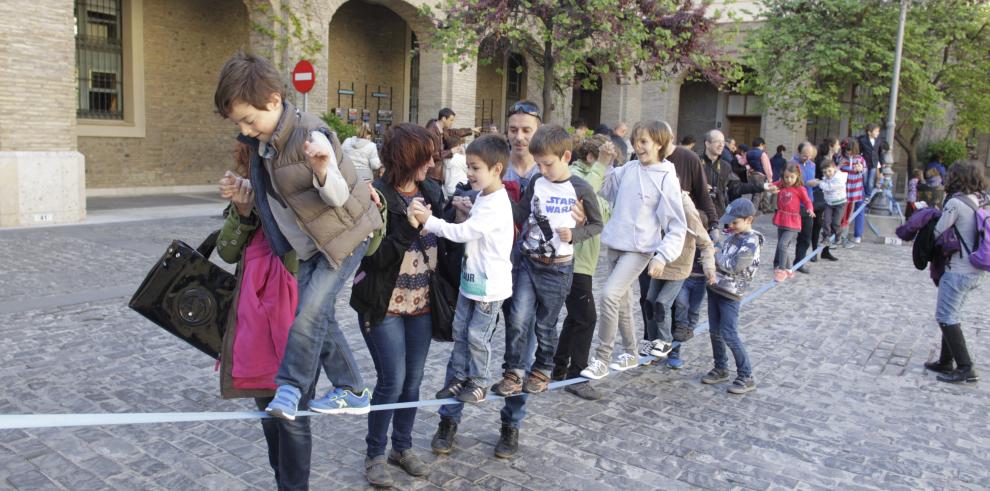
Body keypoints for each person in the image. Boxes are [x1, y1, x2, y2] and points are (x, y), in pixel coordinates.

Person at [213, 52, 378, 423]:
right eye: (239, 122)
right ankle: (352, 390)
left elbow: (336, 197)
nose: (246, 129)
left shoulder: (310, 135)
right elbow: (281, 196)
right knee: (321, 317)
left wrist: (322, 169)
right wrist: (244, 186)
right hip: (311, 246)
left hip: (345, 238)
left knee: (307, 315)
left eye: (249, 120)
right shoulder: (266, 144)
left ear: (273, 100)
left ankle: (289, 388)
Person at [431, 100, 545, 460]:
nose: (519, 136)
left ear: (538, 133)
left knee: (519, 353)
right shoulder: (492, 168)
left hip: (527, 274)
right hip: (483, 274)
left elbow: (586, 223)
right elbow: (465, 198)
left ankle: (511, 425)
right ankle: (449, 419)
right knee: (465, 337)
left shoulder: (551, 175)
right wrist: (462, 205)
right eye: (513, 129)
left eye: (526, 130)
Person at [348, 123, 446, 487]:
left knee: (414, 381)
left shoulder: (433, 189)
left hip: (421, 302)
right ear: (407, 159)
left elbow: (447, 237)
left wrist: (460, 213)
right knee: (393, 380)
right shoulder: (376, 196)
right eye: (425, 156)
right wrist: (409, 228)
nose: (432, 161)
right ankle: (375, 455)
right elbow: (373, 260)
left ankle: (401, 448)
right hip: (383, 303)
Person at [217, 141, 309, 490]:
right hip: (255, 323)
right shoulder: (248, 195)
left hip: (298, 321)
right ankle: (282, 482)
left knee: (294, 420)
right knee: (271, 419)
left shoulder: (301, 193)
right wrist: (242, 212)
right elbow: (226, 251)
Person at [495, 124, 603, 394]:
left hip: (558, 269)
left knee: (545, 324)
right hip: (529, 262)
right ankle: (514, 370)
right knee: (518, 319)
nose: (542, 170)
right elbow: (519, 214)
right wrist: (494, 196)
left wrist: (575, 234)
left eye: (547, 164)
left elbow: (597, 225)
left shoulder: (580, 187)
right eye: (538, 164)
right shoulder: (536, 182)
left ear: (566, 157)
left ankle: (543, 369)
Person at [581, 120, 687, 380]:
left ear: (659, 144)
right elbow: (604, 190)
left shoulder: (666, 177)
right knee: (623, 304)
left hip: (640, 250)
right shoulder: (629, 168)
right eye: (636, 141)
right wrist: (604, 161)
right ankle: (630, 352)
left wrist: (662, 256)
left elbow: (677, 225)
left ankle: (602, 358)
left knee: (608, 295)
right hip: (616, 245)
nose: (638, 147)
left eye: (644, 142)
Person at [413, 134, 514, 405]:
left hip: (489, 287)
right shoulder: (484, 195)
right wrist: (469, 209)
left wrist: (429, 221)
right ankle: (459, 377)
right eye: (468, 166)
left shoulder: (496, 202)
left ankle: (478, 382)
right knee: (459, 330)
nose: (469, 173)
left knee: (477, 336)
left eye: (476, 168)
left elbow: (464, 233)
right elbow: (477, 227)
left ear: (496, 169)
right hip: (471, 281)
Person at [553, 135, 614, 400]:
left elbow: (603, 213)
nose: (608, 164)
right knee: (587, 318)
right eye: (603, 159)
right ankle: (577, 376)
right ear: (591, 157)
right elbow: (583, 196)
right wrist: (601, 165)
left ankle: (559, 366)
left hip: (584, 260)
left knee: (575, 316)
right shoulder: (578, 174)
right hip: (573, 259)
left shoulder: (595, 176)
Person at [926, 161, 988, 384]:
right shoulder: (981, 200)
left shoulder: (956, 203)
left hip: (958, 269)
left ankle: (965, 367)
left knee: (945, 316)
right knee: (952, 314)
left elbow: (938, 232)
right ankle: (945, 360)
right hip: (975, 270)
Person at [642, 190, 716, 369]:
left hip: (680, 267)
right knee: (649, 302)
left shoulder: (689, 213)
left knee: (662, 304)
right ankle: (653, 344)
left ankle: (666, 343)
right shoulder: (658, 203)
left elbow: (706, 243)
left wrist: (709, 268)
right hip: (660, 262)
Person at [702, 198, 763, 394]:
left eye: (735, 222)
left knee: (729, 333)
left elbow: (734, 265)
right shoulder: (734, 235)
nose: (731, 226)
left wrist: (714, 255)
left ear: (749, 219)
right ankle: (721, 368)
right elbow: (722, 252)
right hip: (716, 289)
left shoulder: (751, 241)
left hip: (731, 294)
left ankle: (746, 375)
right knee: (715, 332)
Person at [700, 130, 771, 216]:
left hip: (717, 212)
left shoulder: (725, 166)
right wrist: (700, 187)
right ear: (707, 143)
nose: (721, 145)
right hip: (699, 210)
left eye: (723, 142)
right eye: (717, 142)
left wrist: (762, 186)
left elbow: (736, 187)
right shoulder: (696, 162)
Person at [770, 163, 814, 282]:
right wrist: (770, 187)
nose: (789, 180)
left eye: (791, 177)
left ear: (797, 176)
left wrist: (810, 209)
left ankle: (782, 270)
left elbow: (807, 201)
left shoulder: (800, 189)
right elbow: (772, 185)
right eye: (786, 177)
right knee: (782, 244)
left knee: (783, 245)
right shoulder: (781, 185)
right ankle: (789, 269)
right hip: (781, 219)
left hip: (793, 222)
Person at [792, 142, 819, 273]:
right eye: (804, 156)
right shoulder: (792, 164)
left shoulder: (812, 165)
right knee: (787, 236)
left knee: (806, 236)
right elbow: (788, 181)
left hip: (808, 203)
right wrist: (805, 183)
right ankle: (779, 263)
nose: (807, 158)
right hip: (794, 204)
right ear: (798, 152)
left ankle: (799, 262)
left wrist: (815, 183)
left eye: (810, 156)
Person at [816, 160, 848, 257]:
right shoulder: (825, 178)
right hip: (829, 203)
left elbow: (829, 187)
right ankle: (826, 237)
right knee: (826, 221)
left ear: (834, 169)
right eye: (825, 172)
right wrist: (821, 181)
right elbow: (825, 184)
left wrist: (819, 183)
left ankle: (838, 237)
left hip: (840, 203)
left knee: (836, 222)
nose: (827, 174)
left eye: (829, 171)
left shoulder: (839, 178)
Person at [838, 138, 867, 245]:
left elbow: (864, 170)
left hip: (854, 191)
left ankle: (843, 237)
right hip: (842, 191)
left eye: (850, 150)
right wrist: (839, 166)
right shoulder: (840, 158)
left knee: (849, 215)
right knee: (841, 214)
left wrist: (861, 169)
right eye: (846, 150)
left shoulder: (860, 159)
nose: (848, 153)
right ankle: (838, 237)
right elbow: (835, 170)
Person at [857, 123, 884, 196]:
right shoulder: (862, 140)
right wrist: (859, 162)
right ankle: (864, 195)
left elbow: (880, 153)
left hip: (874, 163)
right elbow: (859, 152)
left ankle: (868, 196)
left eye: (878, 131)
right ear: (869, 132)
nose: (878, 133)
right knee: (864, 181)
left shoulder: (879, 140)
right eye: (876, 131)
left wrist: (882, 164)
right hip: (864, 164)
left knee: (870, 182)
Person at [442, 134, 468, 198]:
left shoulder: (443, 158)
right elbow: (468, 170)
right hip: (460, 189)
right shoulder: (459, 158)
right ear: (457, 146)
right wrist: (464, 153)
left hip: (447, 190)